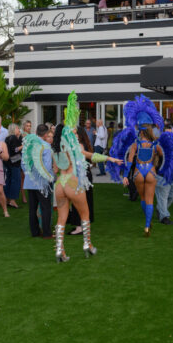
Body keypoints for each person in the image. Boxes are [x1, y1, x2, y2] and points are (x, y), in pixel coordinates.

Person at [51, 92, 122, 260]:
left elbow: (55, 169)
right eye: (74, 132)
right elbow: (91, 156)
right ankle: (87, 244)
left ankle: (59, 250)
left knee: (61, 218)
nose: (76, 134)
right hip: (73, 182)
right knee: (85, 215)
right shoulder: (74, 147)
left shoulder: (56, 149)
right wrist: (110, 158)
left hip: (60, 183)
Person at [109, 94, 173, 237]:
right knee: (150, 200)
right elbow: (165, 156)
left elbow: (129, 161)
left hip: (138, 173)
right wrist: (163, 168)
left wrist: (125, 176)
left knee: (143, 199)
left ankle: (148, 220)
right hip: (151, 172)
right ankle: (147, 226)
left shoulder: (135, 144)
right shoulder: (156, 145)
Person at [22, 124, 55, 238]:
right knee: (45, 207)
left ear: (36, 132)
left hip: (30, 181)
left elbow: (24, 163)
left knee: (32, 208)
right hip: (42, 182)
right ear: (46, 134)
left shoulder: (28, 145)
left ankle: (34, 232)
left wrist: (29, 174)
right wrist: (50, 177)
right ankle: (47, 233)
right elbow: (46, 165)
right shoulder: (45, 146)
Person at [67, 126, 96, 235]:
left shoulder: (79, 146)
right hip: (85, 175)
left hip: (81, 176)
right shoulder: (84, 145)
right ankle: (83, 225)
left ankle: (79, 227)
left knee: (78, 201)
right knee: (84, 201)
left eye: (74, 134)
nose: (72, 135)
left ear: (79, 135)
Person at [3, 123, 23, 209]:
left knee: (9, 180)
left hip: (8, 162)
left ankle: (7, 199)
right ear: (14, 129)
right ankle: (12, 200)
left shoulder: (7, 138)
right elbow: (15, 149)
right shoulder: (14, 138)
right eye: (18, 128)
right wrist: (23, 145)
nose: (19, 130)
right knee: (16, 181)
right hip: (15, 162)